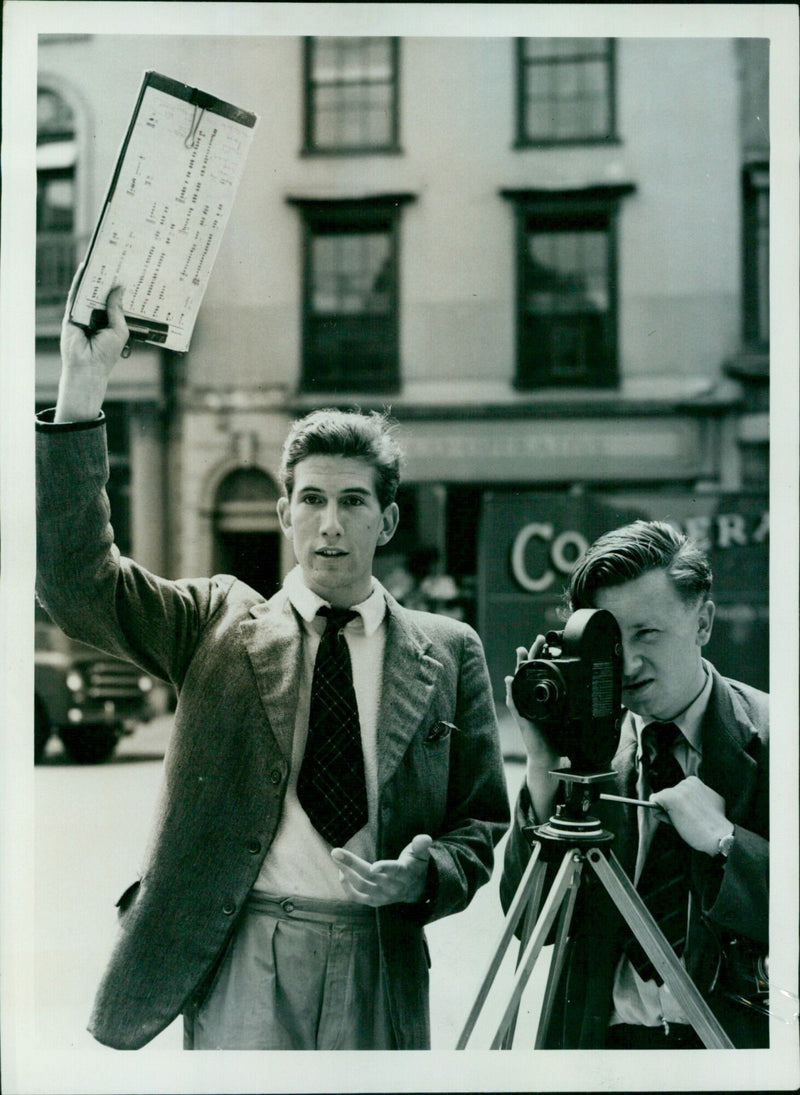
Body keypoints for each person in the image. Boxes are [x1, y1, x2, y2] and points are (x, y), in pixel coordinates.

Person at [35, 282, 509, 1051]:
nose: (330, 523)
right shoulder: (215, 623)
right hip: (244, 957)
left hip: (380, 960)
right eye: (312, 499)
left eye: (353, 501)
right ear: (284, 511)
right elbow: (77, 586)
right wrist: (83, 386)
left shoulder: (449, 650)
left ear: (386, 520)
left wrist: (427, 875)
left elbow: (483, 822)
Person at [500, 520, 768, 1049]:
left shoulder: (775, 735)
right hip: (602, 1049)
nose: (629, 663)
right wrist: (543, 766)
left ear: (704, 622)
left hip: (731, 1050)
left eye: (647, 633)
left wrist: (726, 845)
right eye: (611, 641)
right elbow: (532, 926)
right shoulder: (587, 753)